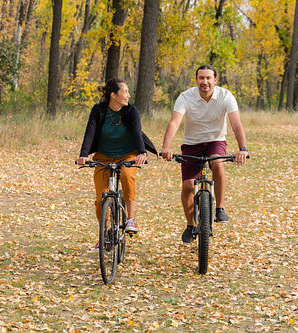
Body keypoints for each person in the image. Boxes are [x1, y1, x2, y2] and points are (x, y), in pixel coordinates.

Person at [160, 64, 248, 243]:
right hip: (192, 143)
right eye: (201, 78)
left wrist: (243, 148)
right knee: (188, 186)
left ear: (215, 80)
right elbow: (175, 122)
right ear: (196, 80)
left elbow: (236, 123)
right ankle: (191, 224)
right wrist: (166, 146)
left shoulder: (226, 96)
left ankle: (219, 208)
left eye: (209, 78)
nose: (205, 82)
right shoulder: (186, 97)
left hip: (216, 141)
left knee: (217, 163)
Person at [76, 78, 157, 252]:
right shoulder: (98, 110)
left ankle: (130, 219)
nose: (128, 95)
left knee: (128, 176)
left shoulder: (131, 111)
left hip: (127, 154)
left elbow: (137, 132)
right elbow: (90, 131)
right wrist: (83, 155)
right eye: (125, 92)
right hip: (104, 157)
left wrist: (141, 153)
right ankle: (104, 234)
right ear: (113, 95)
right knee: (101, 198)